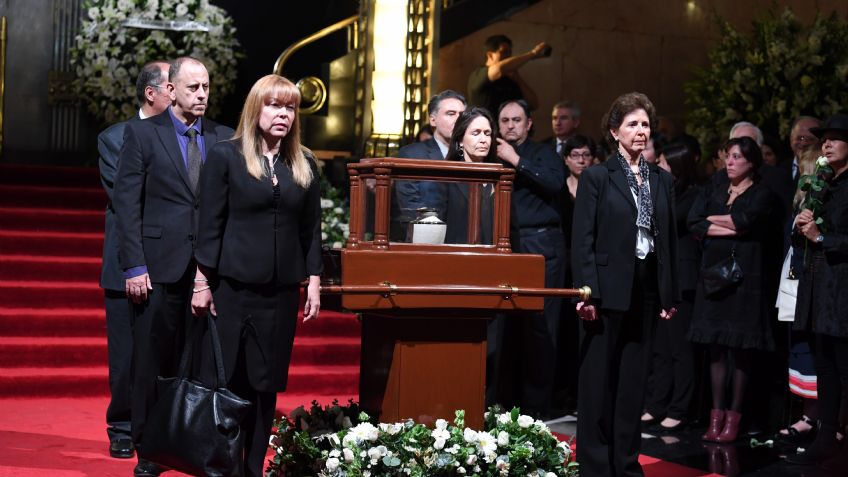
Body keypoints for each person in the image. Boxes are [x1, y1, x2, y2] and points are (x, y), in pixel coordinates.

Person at [192, 74, 322, 477]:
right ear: (256, 109)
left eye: (290, 108)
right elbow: (208, 223)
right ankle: (222, 467)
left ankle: (253, 469)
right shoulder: (226, 156)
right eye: (274, 105)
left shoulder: (303, 161)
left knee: (266, 387)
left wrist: (313, 279)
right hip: (232, 288)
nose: (283, 114)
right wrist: (202, 282)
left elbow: (311, 228)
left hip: (280, 294)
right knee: (228, 383)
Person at [113, 56, 234, 477]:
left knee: (198, 361)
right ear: (171, 90)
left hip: (208, 271)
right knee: (151, 362)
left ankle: (191, 446)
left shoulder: (224, 137)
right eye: (192, 87)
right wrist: (133, 266)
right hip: (158, 268)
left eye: (206, 87)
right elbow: (127, 205)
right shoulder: (143, 134)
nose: (201, 95)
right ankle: (148, 449)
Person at [571, 92, 679, 477]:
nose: (640, 130)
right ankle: (596, 466)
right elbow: (583, 238)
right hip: (605, 291)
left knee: (633, 385)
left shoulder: (661, 180)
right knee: (599, 383)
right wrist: (587, 292)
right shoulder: (598, 177)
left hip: (645, 290)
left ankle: (626, 464)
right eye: (632, 124)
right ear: (614, 131)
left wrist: (669, 292)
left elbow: (669, 240)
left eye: (645, 124)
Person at [97, 59, 170, 460]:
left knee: (163, 353)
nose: (179, 95)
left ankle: (160, 426)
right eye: (172, 87)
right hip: (126, 261)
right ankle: (122, 426)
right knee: (125, 357)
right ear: (152, 93)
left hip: (172, 259)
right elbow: (127, 199)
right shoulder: (114, 138)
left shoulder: (185, 136)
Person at [687, 136, 779, 444]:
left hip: (745, 278)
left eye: (737, 157)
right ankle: (715, 416)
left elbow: (746, 222)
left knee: (740, 352)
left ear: (751, 162)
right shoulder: (714, 187)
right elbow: (694, 222)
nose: (729, 161)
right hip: (713, 278)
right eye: (728, 156)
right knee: (715, 350)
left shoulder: (761, 192)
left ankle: (734, 419)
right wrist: (725, 224)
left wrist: (718, 223)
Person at [488, 99, 565, 418]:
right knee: (504, 327)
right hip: (505, 247)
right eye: (504, 120)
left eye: (516, 120)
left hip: (541, 246)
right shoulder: (489, 151)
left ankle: (537, 407)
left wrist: (515, 159)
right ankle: (501, 400)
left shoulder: (543, 153)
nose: (509, 125)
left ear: (529, 123)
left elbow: (555, 183)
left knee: (540, 328)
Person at [787, 113, 848, 468]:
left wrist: (821, 236)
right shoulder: (823, 183)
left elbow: (831, 237)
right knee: (823, 365)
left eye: (835, 138)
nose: (826, 143)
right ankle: (826, 435)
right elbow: (808, 235)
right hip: (819, 290)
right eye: (824, 138)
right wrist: (802, 225)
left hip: (841, 291)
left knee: (842, 365)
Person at [641, 140, 701, 432]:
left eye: (664, 163)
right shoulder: (664, 191)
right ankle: (656, 403)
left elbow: (670, 222)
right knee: (660, 347)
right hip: (660, 275)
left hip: (683, 277)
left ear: (677, 168)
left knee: (679, 348)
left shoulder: (692, 195)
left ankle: (680, 407)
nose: (659, 167)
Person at [554, 134, 594, 414]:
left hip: (588, 265)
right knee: (563, 332)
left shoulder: (597, 186)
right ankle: (564, 394)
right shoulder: (558, 189)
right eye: (575, 155)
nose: (580, 160)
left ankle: (584, 396)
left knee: (586, 332)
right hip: (563, 264)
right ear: (566, 159)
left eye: (586, 155)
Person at [395, 90, 466, 222]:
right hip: (428, 235)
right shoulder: (412, 155)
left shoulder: (472, 154)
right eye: (450, 114)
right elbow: (410, 205)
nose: (458, 119)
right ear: (433, 120)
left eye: (462, 114)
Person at [442, 107, 498, 244]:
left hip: (495, 258)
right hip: (458, 258)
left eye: (487, 133)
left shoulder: (500, 178)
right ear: (460, 140)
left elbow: (511, 230)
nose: (483, 139)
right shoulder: (446, 178)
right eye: (476, 133)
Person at [466, 34, 547, 114]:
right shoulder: (478, 74)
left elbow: (534, 105)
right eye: (504, 52)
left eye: (509, 53)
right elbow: (499, 69)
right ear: (490, 55)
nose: (508, 57)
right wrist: (533, 54)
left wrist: (518, 80)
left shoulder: (510, 80)